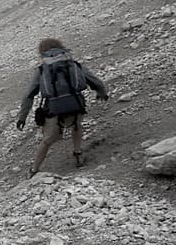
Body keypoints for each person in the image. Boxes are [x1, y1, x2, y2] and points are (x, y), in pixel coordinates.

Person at [16, 38, 108, 176]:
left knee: (47, 140)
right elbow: (93, 80)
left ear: (42, 52)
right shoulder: (73, 64)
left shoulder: (42, 69)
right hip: (76, 103)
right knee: (77, 126)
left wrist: (22, 117)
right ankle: (78, 154)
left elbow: (29, 94)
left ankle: (34, 170)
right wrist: (102, 93)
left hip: (54, 108)